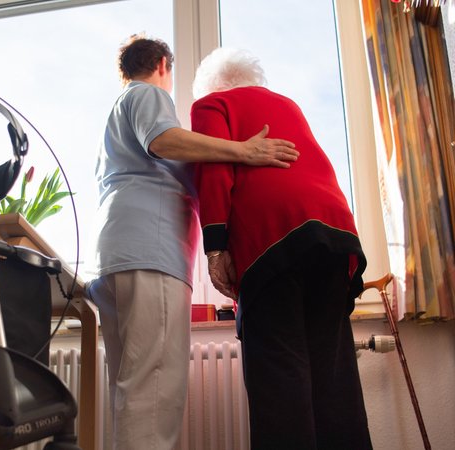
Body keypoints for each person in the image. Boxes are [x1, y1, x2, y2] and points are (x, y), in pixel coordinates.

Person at [87, 35, 298, 450]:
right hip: (149, 254)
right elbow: (163, 140)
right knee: (154, 393)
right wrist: (243, 150)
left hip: (115, 257)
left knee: (131, 392)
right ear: (164, 64)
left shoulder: (116, 117)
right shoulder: (147, 94)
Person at [191, 47, 372, 450]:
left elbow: (214, 171)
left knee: (280, 379)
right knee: (334, 378)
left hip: (271, 242)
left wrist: (216, 247)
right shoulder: (286, 105)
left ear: (210, 86)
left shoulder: (211, 105)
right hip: (334, 237)